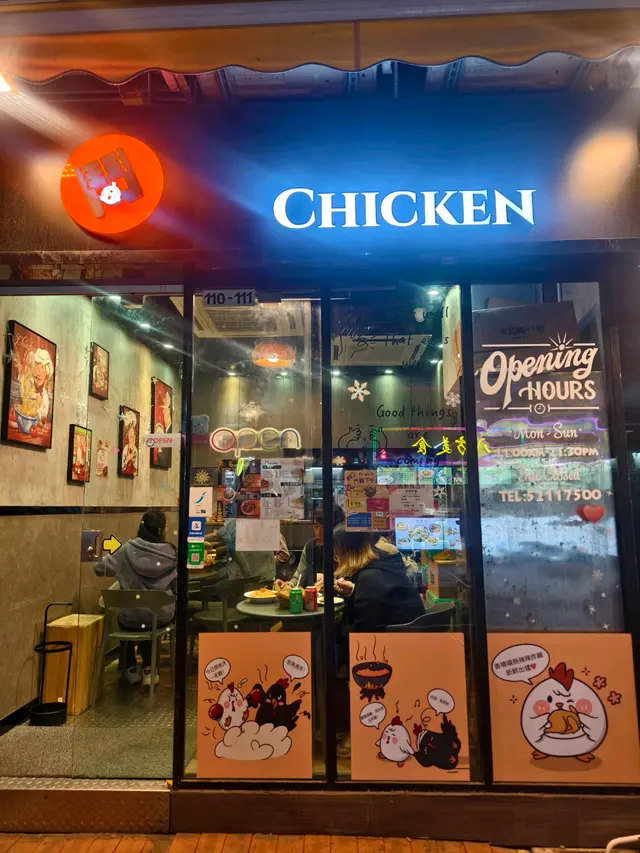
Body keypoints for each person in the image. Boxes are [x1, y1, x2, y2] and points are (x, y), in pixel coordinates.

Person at [94, 509, 177, 686]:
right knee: (150, 615)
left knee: (131, 615)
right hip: (160, 617)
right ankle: (149, 669)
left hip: (131, 618)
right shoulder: (171, 553)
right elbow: (177, 588)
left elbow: (99, 568)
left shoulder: (126, 550)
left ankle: (130, 668)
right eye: (166, 526)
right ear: (160, 530)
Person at [332, 528, 424, 632]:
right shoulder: (383, 562)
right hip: (413, 633)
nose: (335, 557)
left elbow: (366, 630)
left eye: (336, 552)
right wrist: (354, 590)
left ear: (345, 552)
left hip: (398, 638)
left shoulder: (369, 578)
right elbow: (383, 601)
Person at [206, 518, 288, 584]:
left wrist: (265, 561)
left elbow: (284, 555)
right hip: (243, 578)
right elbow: (220, 537)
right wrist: (205, 542)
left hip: (263, 579)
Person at [291, 505, 345, 588]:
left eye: (324, 528)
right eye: (316, 527)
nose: (319, 532)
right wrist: (289, 585)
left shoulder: (345, 549)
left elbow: (352, 582)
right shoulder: (311, 546)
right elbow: (298, 577)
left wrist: (332, 581)